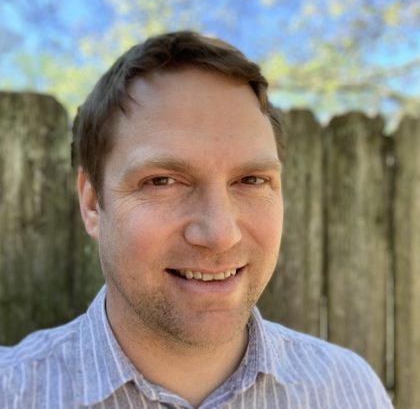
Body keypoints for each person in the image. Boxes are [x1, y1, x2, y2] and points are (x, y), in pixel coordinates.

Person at [0, 30, 393, 409]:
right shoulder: (13, 392)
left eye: (251, 180)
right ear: (90, 204)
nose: (220, 234)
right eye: (163, 181)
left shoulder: (348, 389)